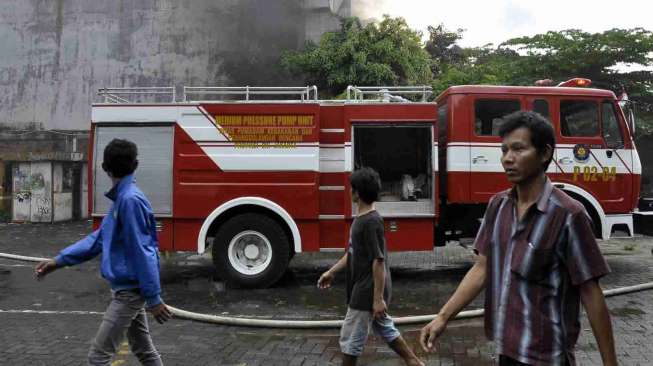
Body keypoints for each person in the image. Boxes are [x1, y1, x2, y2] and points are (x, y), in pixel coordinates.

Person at [420, 111, 618, 366]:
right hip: (507, 351)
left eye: (518, 149)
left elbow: (591, 294)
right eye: (504, 151)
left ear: (545, 153)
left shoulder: (569, 215)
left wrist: (610, 363)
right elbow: (482, 267)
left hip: (548, 358)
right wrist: (442, 317)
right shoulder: (498, 206)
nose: (507, 159)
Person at [35, 138, 172, 366]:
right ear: (136, 165)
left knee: (98, 357)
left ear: (104, 167)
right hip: (128, 290)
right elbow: (98, 239)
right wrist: (58, 261)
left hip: (129, 293)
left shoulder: (129, 201)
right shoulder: (124, 199)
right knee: (144, 351)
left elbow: (143, 251)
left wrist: (154, 298)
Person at [318, 167, 424, 366]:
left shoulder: (370, 222)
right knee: (384, 327)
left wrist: (377, 299)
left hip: (366, 291)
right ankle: (414, 362)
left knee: (350, 339)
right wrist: (331, 272)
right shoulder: (361, 220)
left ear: (357, 193)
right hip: (367, 288)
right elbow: (352, 253)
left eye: (351, 189)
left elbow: (379, 260)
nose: (349, 192)